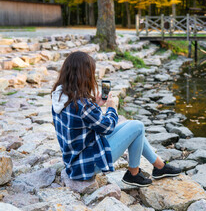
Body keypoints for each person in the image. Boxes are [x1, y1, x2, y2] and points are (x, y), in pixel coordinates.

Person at [51, 51, 181, 187]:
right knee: (137, 126)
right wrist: (112, 108)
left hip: (75, 159)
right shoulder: (82, 105)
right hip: (86, 165)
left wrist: (96, 105)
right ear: (84, 76)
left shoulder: (60, 95)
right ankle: (133, 174)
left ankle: (159, 167)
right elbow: (107, 127)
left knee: (133, 126)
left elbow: (82, 122)